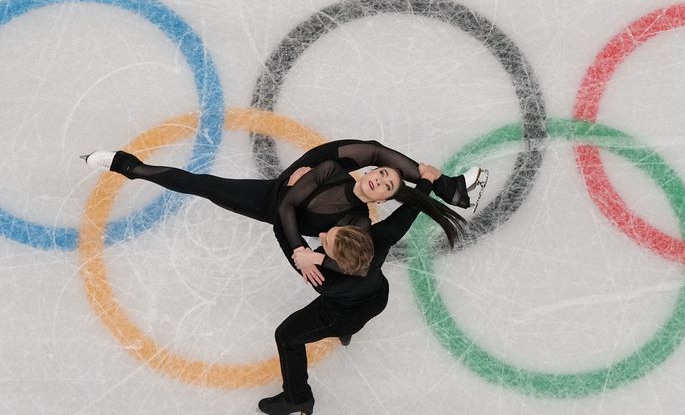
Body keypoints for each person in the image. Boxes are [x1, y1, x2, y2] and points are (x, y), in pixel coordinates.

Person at [81, 140, 485, 282]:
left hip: (279, 219)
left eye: (387, 186)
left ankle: (448, 188)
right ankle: (127, 165)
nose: (379, 179)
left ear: (381, 200)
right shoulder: (332, 170)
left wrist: (314, 257)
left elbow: (358, 260)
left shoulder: (357, 221)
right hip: (276, 196)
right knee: (202, 184)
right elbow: (288, 204)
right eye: (379, 174)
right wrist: (301, 249)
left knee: (331, 275)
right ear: (366, 173)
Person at [257, 163, 443, 415]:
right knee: (348, 318)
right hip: (377, 298)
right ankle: (346, 334)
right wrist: (427, 180)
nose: (322, 234)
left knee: (286, 336)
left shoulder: (323, 278)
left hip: (341, 315)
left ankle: (297, 397)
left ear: (336, 261)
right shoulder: (379, 238)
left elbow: (280, 226)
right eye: (333, 232)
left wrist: (290, 189)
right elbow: (409, 211)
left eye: (325, 242)